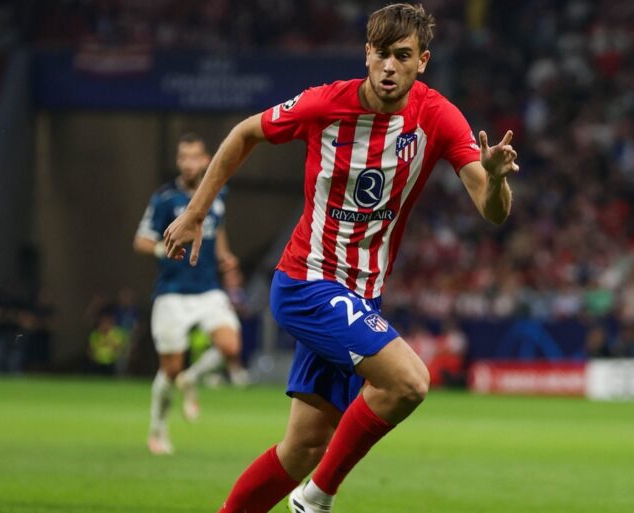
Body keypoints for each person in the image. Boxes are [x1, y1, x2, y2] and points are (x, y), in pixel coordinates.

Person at [163, 4, 519, 512]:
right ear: (367, 53)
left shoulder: (437, 116)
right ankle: (316, 499)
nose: (390, 66)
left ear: (422, 61)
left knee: (304, 447)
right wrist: (197, 212)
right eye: (382, 54)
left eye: (403, 55)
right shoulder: (325, 104)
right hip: (306, 283)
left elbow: (492, 210)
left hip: (360, 297)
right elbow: (245, 133)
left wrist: (497, 180)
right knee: (409, 381)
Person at [134, 133, 252, 455]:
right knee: (169, 369)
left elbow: (217, 228)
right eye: (182, 157)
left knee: (231, 346)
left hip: (208, 289)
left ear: (205, 160)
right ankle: (157, 429)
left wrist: (225, 257)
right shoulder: (165, 198)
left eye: (194, 157)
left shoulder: (217, 192)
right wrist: (163, 248)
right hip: (172, 293)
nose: (187, 163)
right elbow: (141, 240)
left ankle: (192, 378)